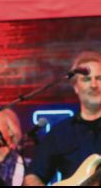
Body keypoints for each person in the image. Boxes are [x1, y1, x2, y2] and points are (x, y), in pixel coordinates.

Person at [24, 51, 101, 186]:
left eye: (99, 78)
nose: (94, 85)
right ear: (76, 87)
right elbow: (33, 176)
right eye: (86, 79)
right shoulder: (60, 132)